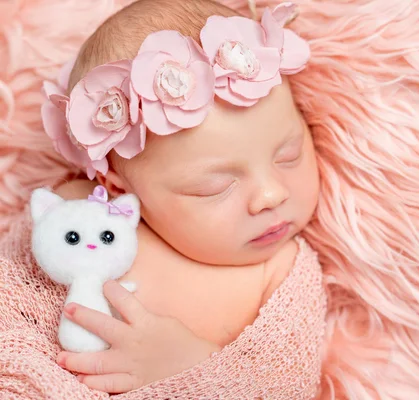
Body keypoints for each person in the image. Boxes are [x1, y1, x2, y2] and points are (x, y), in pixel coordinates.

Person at [1, 0, 327, 398]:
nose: (272, 194)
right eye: (215, 187)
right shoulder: (77, 215)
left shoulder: (281, 272)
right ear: (119, 186)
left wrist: (195, 369)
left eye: (288, 154)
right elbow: (10, 323)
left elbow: (289, 385)